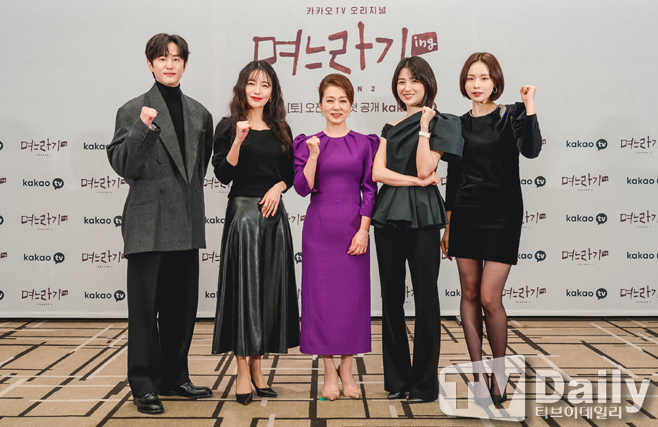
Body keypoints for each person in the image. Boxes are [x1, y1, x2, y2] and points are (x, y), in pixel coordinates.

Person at [107, 33, 214, 414]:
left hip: (185, 220)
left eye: (176, 58)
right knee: (144, 310)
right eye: (162, 58)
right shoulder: (133, 110)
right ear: (150, 64)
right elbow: (124, 166)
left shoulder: (200, 113)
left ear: (185, 64)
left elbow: (198, 168)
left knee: (180, 309)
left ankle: (174, 377)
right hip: (148, 222)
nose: (170, 64)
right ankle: (143, 384)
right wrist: (143, 128)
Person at [442, 52, 542, 406]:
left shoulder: (510, 114)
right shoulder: (457, 124)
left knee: (488, 297)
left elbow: (531, 151)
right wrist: (448, 226)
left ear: (495, 82)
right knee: (469, 294)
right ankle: (479, 375)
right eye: (471, 78)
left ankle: (500, 372)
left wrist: (530, 106)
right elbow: (453, 176)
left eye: (483, 78)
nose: (477, 85)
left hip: (502, 215)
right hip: (465, 213)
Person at [371, 57, 463, 403]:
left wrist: (424, 127)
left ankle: (424, 385)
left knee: (426, 298)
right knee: (391, 298)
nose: (407, 87)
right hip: (388, 215)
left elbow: (427, 166)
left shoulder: (442, 122)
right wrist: (415, 181)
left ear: (427, 84)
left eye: (414, 81)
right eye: (401, 82)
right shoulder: (390, 125)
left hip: (423, 216)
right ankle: (397, 380)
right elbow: (378, 173)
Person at [211, 60, 300, 406]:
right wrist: (238, 140)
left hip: (274, 218)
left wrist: (278, 187)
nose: (258, 90)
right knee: (243, 294)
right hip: (244, 216)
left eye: (265, 85)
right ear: (242, 88)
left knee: (267, 294)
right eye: (252, 83)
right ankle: (242, 370)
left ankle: (258, 368)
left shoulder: (281, 129)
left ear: (272, 91)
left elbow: (289, 175)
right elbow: (223, 174)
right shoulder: (228, 125)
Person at [292, 74, 378, 401]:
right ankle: (329, 371)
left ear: (351, 105)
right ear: (320, 105)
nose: (336, 106)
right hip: (318, 232)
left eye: (343, 100)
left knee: (351, 303)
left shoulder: (365, 143)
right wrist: (314, 155)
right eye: (330, 100)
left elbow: (370, 190)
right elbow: (302, 188)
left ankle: (348, 369)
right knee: (321, 303)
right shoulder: (307, 143)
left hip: (353, 231)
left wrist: (364, 230)